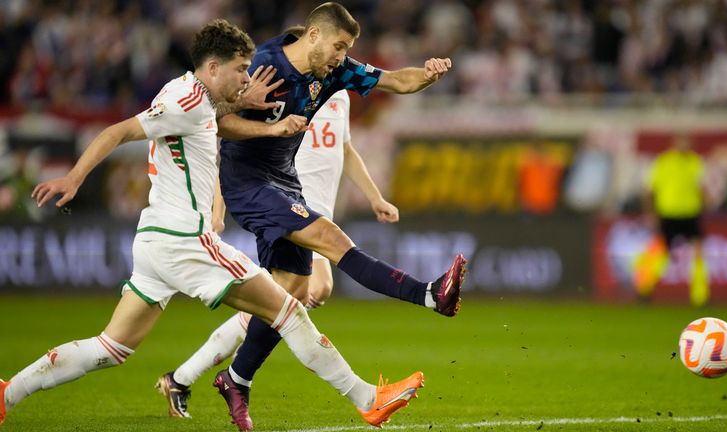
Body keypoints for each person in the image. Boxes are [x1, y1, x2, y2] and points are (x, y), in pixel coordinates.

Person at [0, 19, 423, 432]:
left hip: (154, 242)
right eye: (241, 69)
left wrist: (244, 103)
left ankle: (7, 394)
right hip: (186, 240)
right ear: (214, 67)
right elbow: (119, 131)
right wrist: (73, 178)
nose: (247, 77)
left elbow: (209, 113)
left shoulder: (193, 96)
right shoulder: (183, 102)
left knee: (110, 348)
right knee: (289, 310)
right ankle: (368, 399)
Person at [200, 5, 467, 429]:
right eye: (339, 46)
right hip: (248, 184)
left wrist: (428, 75)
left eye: (347, 49)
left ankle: (235, 378)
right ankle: (430, 295)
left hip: (284, 182)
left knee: (289, 291)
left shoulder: (334, 71)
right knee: (331, 238)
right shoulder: (264, 65)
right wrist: (258, 118)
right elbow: (214, 121)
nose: (342, 56)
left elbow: (395, 80)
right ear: (314, 36)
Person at [156, 88, 400, 418]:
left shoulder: (339, 94)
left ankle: (184, 378)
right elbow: (235, 148)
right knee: (300, 294)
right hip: (288, 207)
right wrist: (218, 207)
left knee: (284, 300)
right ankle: (204, 378)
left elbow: (345, 148)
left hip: (317, 214)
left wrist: (374, 197)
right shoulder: (289, 90)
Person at [633, 136, 709, 306]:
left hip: (690, 214)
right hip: (668, 214)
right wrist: (651, 213)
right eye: (682, 142)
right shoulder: (663, 162)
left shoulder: (696, 162)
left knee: (698, 254)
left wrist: (705, 203)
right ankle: (644, 288)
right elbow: (650, 190)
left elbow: (701, 188)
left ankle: (700, 296)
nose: (685, 144)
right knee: (659, 254)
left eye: (687, 142)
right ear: (674, 144)